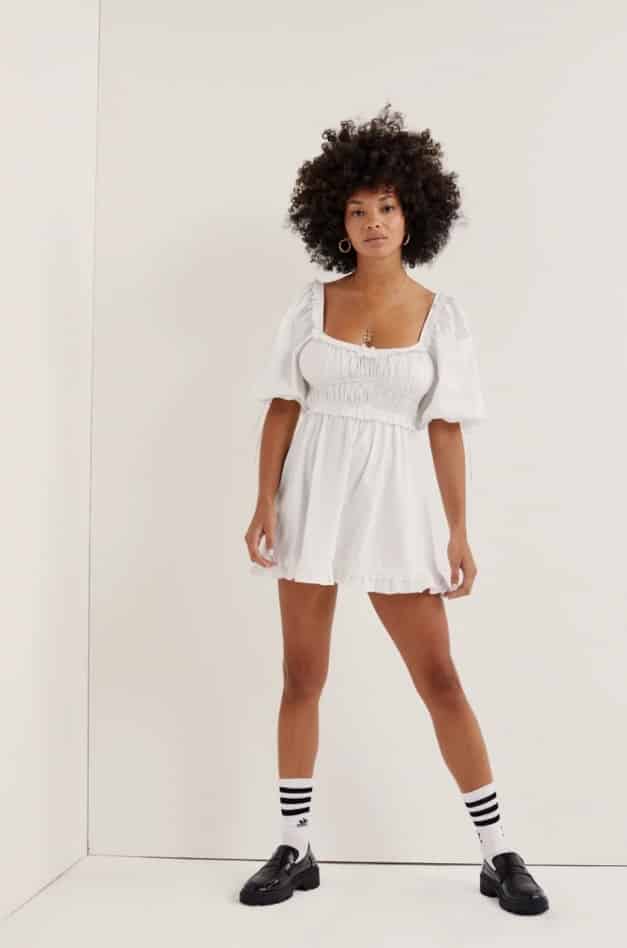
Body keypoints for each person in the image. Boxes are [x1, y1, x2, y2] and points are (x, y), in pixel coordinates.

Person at [240, 103, 549, 916]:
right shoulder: (310, 304)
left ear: (413, 213)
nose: (372, 222)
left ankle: (496, 850)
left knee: (439, 676)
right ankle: (294, 843)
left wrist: (459, 529)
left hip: (395, 502)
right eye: (356, 209)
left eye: (385, 206)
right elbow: (283, 405)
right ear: (334, 219)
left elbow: (445, 428)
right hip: (311, 494)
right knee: (301, 675)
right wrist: (264, 501)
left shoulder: (442, 315)